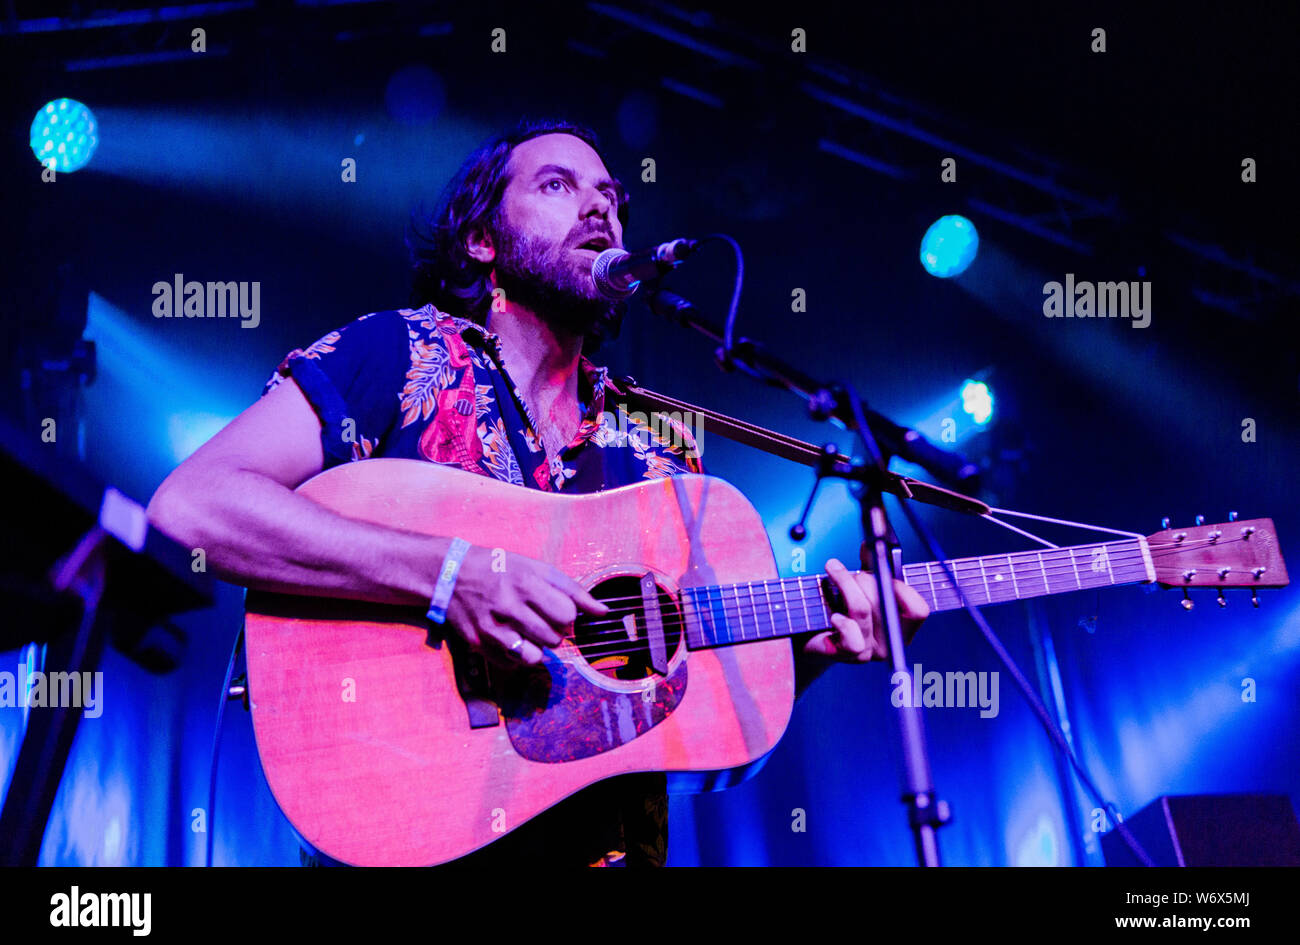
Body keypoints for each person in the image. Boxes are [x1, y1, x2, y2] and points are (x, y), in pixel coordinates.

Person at [146, 118, 930, 867]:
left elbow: (673, 703)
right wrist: (451, 574)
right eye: (558, 186)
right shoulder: (394, 355)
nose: (600, 207)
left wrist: (811, 651)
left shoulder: (665, 450)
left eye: (612, 196)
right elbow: (193, 506)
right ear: (483, 239)